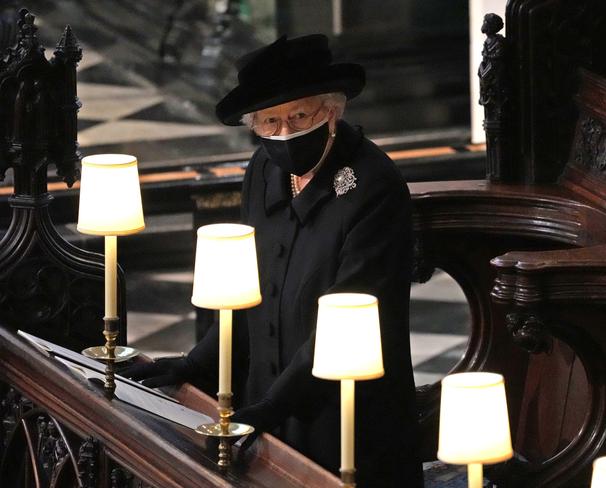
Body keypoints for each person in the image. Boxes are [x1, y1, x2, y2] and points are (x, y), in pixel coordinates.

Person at [124, 34, 423, 487]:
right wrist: (194, 363)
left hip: (342, 417)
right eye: (269, 122)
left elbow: (350, 320)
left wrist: (274, 406)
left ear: (331, 110)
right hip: (263, 408)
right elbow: (250, 293)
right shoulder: (263, 170)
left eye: (298, 116)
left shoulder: (372, 187)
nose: (284, 133)